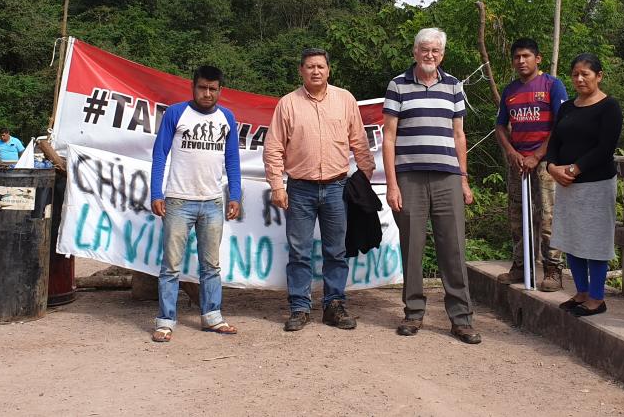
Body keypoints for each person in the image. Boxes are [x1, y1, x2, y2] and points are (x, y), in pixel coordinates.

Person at [263, 48, 376, 332]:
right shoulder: (288, 104)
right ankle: (300, 308)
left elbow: (359, 141)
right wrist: (277, 186)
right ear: (301, 70)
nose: (316, 71)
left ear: (329, 70)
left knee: (336, 251)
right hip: (299, 189)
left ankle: (334, 306)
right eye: (310, 67)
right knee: (299, 252)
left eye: (321, 67)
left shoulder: (345, 99)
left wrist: (364, 176)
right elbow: (274, 148)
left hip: (338, 188)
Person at [383, 28, 481, 344]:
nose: (430, 55)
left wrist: (464, 180)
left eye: (435, 51)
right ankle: (413, 314)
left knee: (453, 247)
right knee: (412, 247)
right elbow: (389, 136)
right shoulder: (398, 85)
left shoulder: (453, 86)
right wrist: (392, 184)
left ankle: (461, 319)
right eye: (424, 50)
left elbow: (459, 136)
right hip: (409, 177)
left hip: (448, 177)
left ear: (443, 54)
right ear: (415, 52)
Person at [150, 66, 242, 342]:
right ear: (193, 87)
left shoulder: (227, 118)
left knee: (211, 265)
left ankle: (212, 316)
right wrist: (157, 192)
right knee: (171, 266)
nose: (207, 93)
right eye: (202, 87)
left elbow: (233, 161)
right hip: (178, 200)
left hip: (213, 202)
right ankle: (165, 321)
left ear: (220, 91)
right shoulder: (176, 113)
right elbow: (159, 155)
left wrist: (234, 195)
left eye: (213, 89)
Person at [544, 53, 623, 317]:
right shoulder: (567, 107)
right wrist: (552, 167)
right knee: (572, 238)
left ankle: (597, 298)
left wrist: (574, 169)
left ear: (599, 76)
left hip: (596, 183)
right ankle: (581, 292)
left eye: (585, 74)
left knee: (595, 241)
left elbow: (605, 147)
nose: (579, 79)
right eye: (575, 74)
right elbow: (554, 141)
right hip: (567, 183)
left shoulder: (609, 107)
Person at [494, 38, 568, 290]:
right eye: (517, 57)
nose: (521, 61)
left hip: (546, 162)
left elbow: (561, 125)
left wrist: (537, 155)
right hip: (518, 162)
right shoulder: (510, 90)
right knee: (517, 215)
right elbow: (500, 126)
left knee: (548, 215)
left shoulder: (552, 85)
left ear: (538, 58)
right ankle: (520, 265)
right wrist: (512, 153)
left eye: (526, 56)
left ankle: (553, 269)